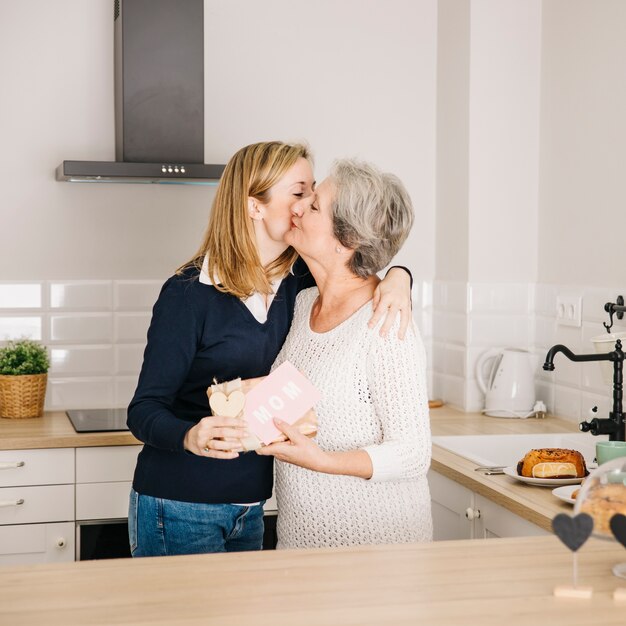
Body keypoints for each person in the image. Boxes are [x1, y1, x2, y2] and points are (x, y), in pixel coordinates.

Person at [126, 142, 413, 557]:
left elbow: (358, 259)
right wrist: (190, 435)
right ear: (254, 207)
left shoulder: (300, 286)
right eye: (299, 192)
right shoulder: (189, 292)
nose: (307, 204)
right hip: (180, 504)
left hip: (254, 505)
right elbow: (144, 409)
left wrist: (400, 276)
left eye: (312, 194)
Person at [257, 159, 432, 549]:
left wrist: (322, 461)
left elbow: (413, 454)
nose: (298, 206)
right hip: (302, 543)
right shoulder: (304, 304)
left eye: (314, 205)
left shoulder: (385, 323)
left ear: (346, 240)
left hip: (374, 553)